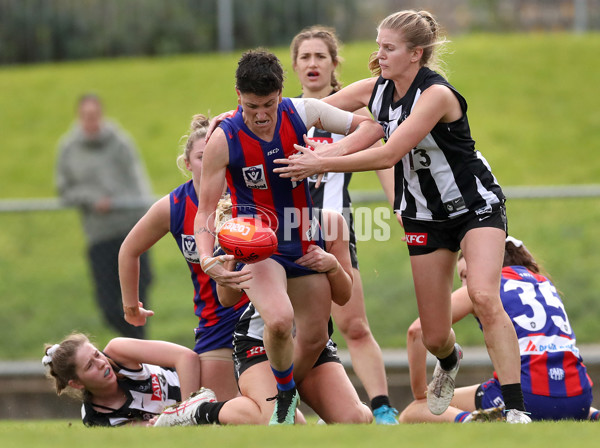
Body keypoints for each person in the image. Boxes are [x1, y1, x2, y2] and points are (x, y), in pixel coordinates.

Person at [274, 10, 530, 423]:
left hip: (475, 207)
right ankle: (449, 359)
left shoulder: (437, 96)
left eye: (388, 48)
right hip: (424, 217)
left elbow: (390, 153)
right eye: (379, 45)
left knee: (483, 296)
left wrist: (323, 160)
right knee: (433, 336)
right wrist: (242, 121)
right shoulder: (376, 90)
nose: (379, 55)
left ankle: (517, 410)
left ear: (417, 54)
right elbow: (308, 109)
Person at [193, 49, 384, 425]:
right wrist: (206, 257)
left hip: (303, 240)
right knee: (279, 320)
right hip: (260, 244)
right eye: (251, 106)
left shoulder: (302, 111)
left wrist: (326, 157)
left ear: (281, 93)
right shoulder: (223, 139)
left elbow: (373, 129)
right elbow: (204, 211)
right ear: (237, 95)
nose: (261, 115)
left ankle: (284, 396)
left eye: (268, 104)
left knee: (315, 340)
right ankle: (282, 399)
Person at [154, 209, 372, 426]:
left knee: (355, 420)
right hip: (261, 343)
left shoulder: (329, 221)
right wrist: (232, 262)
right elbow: (226, 299)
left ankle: (311, 406)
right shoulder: (249, 225)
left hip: (312, 343)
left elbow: (343, 297)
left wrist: (333, 266)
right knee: (276, 422)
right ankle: (199, 410)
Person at [290, 25, 399, 424]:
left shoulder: (353, 117)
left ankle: (382, 406)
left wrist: (398, 207)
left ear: (335, 63)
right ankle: (290, 402)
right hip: (288, 230)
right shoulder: (286, 113)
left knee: (353, 323)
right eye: (305, 57)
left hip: (336, 231)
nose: (313, 63)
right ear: (296, 66)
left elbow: (384, 159)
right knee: (296, 326)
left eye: (321, 56)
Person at [118, 115, 249, 401]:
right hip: (215, 320)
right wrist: (131, 307)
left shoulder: (249, 194)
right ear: (187, 163)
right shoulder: (175, 206)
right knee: (220, 414)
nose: (212, 161)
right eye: (202, 156)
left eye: (219, 154)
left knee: (271, 408)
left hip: (260, 310)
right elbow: (129, 250)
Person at [400, 236, 597, 422]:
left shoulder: (486, 288)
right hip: (580, 397)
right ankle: (593, 414)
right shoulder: (543, 283)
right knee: (551, 392)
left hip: (528, 396)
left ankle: (470, 421)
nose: (465, 285)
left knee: (413, 411)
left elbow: (417, 331)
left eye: (466, 275)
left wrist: (421, 394)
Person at [56, 93, 153, 339]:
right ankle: (136, 351)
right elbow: (64, 189)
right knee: (109, 307)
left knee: (138, 299)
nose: (91, 120)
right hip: (100, 235)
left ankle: (140, 359)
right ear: (80, 117)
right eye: (86, 116)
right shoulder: (69, 149)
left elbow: (138, 180)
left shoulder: (119, 142)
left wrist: (145, 219)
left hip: (130, 230)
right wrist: (91, 199)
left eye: (95, 115)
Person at [42, 332, 206, 427]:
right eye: (89, 366)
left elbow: (187, 358)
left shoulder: (118, 351)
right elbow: (148, 433)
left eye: (97, 354)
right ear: (77, 383)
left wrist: (187, 413)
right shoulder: (96, 418)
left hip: (203, 379)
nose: (101, 363)